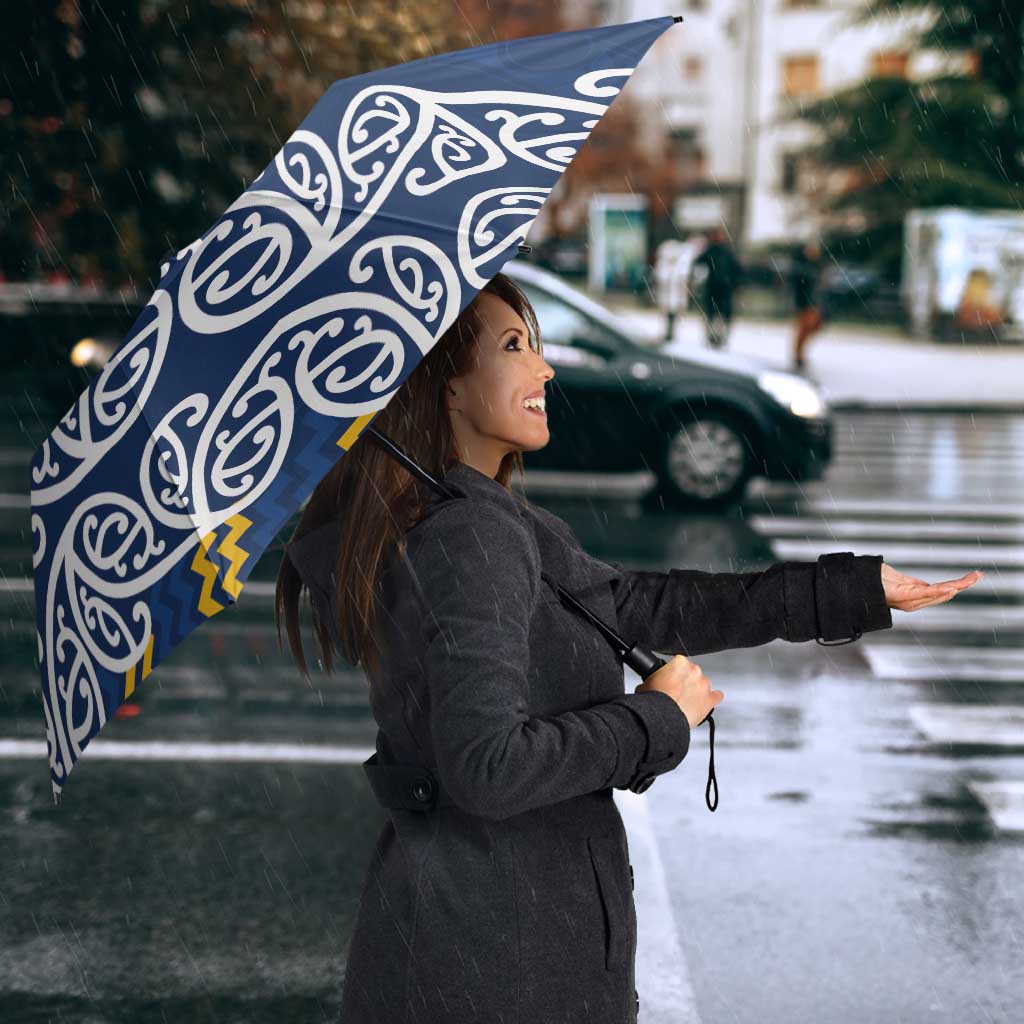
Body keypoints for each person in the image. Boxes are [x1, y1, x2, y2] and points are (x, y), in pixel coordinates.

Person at [276, 271, 981, 1024]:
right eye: (514, 346)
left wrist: (849, 590)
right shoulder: (469, 536)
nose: (544, 368)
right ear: (446, 386)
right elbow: (487, 767)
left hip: (480, 943)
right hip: (496, 962)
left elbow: (643, 605)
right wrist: (655, 719)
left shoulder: (481, 519)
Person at [692, 226, 742, 349]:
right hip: (715, 288)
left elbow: (736, 270)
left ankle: (719, 337)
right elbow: (698, 264)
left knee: (720, 315)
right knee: (713, 314)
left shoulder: (725, 252)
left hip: (723, 288)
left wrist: (735, 284)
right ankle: (713, 337)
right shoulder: (712, 251)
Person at [790, 239, 826, 370]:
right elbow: (799, 286)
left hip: (814, 303)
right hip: (805, 303)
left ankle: (799, 354)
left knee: (812, 328)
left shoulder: (817, 266)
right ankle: (798, 355)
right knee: (804, 329)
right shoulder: (802, 267)